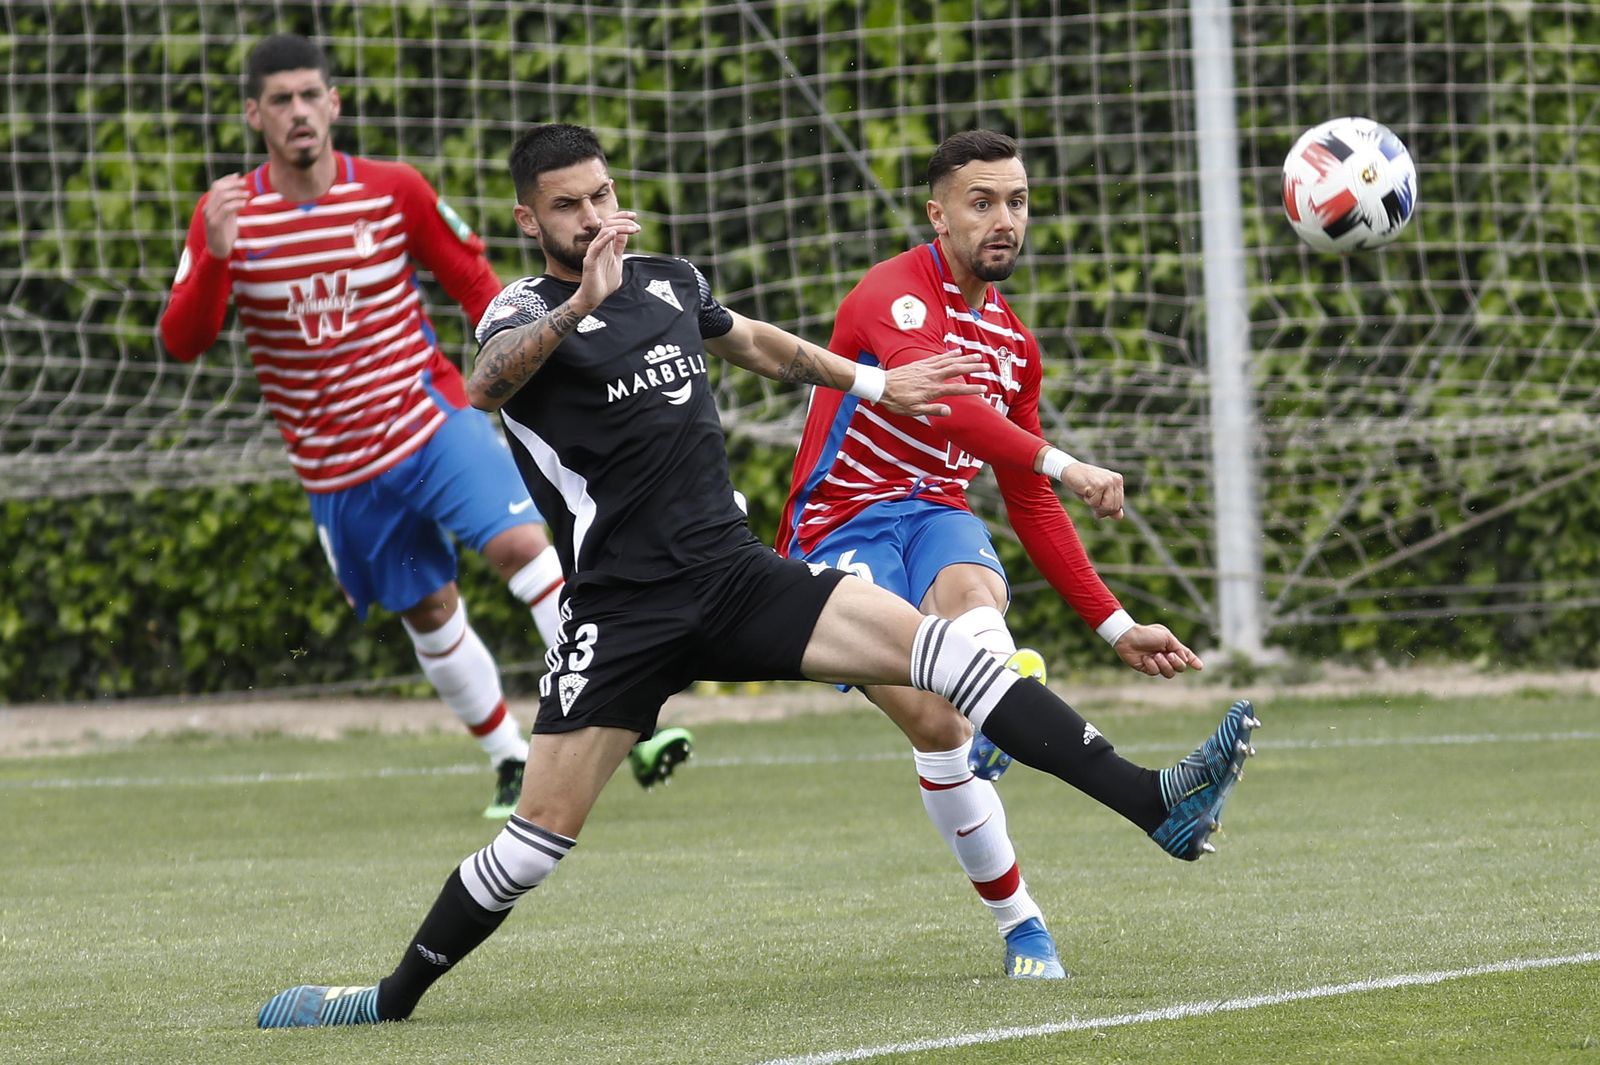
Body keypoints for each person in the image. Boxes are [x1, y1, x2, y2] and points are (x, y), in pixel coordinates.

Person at [255, 123, 1260, 1029]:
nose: (592, 217)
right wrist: (576, 311)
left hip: (735, 577)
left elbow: (766, 351)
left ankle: (1155, 802)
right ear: (530, 219)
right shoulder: (519, 311)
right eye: (567, 205)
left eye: (601, 196)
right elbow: (485, 385)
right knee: (534, 844)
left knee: (948, 661)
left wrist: (876, 382)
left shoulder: (667, 281)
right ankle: (387, 1001)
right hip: (621, 614)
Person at [157, 35, 690, 819]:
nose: (299, 111)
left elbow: (476, 282)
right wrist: (211, 255)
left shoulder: (393, 189)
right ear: (255, 115)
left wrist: (535, 361)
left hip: (429, 417)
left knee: (522, 548)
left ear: (334, 104)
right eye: (281, 100)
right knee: (429, 606)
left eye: (311, 95)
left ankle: (622, 718)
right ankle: (509, 758)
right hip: (336, 465)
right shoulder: (225, 213)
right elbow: (182, 340)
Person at [775, 129, 1209, 978]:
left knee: (973, 578)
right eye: (981, 203)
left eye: (1016, 202)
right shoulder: (893, 293)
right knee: (936, 722)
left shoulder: (1015, 344)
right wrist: (1064, 458)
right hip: (838, 527)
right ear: (938, 214)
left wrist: (1115, 623)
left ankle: (996, 724)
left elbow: (1027, 497)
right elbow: (946, 407)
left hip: (935, 515)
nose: (1003, 219)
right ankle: (1020, 911)